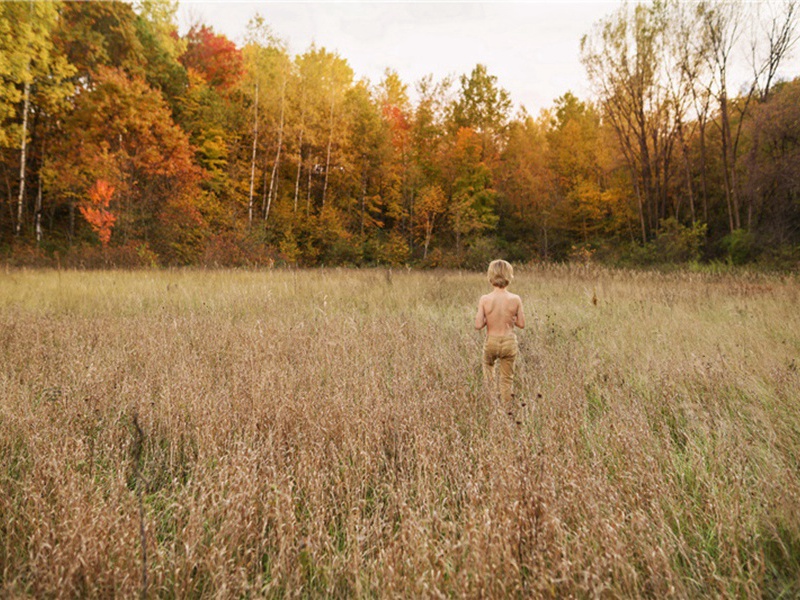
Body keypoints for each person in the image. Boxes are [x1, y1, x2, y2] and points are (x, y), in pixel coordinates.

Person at [474, 259, 526, 423]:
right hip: (509, 342)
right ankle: (506, 412)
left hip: (491, 341)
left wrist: (488, 317)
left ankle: (490, 407)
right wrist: (510, 319)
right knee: (506, 379)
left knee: (488, 372)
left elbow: (478, 325)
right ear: (509, 276)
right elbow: (521, 324)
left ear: (490, 276)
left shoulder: (485, 299)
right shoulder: (515, 299)